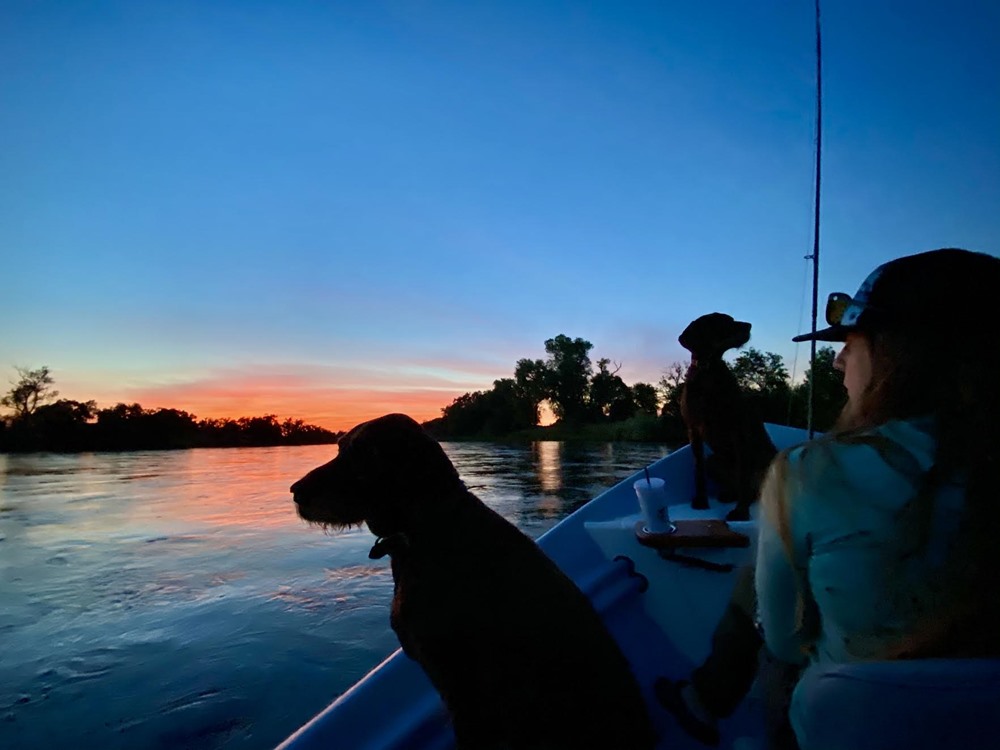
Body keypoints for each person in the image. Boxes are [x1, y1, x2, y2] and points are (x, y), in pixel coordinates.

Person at [657, 247, 1000, 748]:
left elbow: (784, 643)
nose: (837, 359)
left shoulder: (810, 472)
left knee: (766, 590)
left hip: (851, 729)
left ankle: (704, 704)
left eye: (853, 342)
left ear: (902, 355)